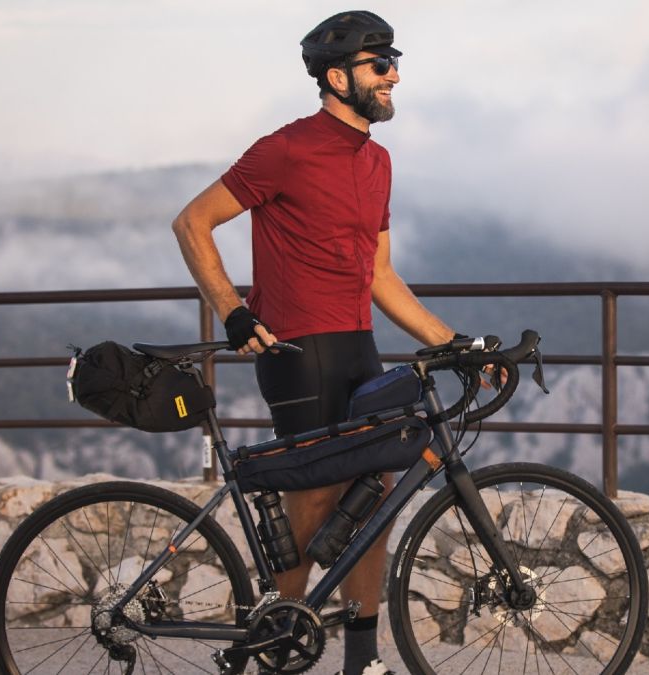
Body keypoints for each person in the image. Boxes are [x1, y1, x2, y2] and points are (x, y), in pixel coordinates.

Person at [172, 11, 458, 675]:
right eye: (378, 64)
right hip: (296, 350)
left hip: (359, 346)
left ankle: (363, 658)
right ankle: (274, 644)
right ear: (337, 77)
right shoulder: (287, 149)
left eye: (394, 63)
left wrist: (456, 342)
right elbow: (192, 222)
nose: (393, 75)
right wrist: (233, 313)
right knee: (313, 501)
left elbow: (380, 275)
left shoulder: (378, 160)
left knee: (377, 500)